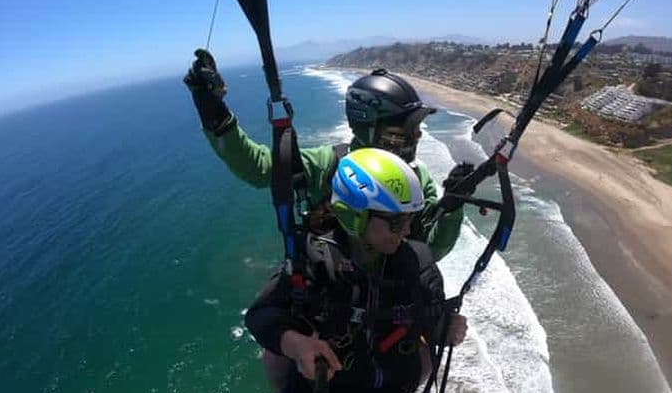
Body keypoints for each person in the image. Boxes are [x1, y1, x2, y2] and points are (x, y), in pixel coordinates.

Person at [245, 147, 469, 393]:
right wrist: (299, 344)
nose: (406, 230)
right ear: (355, 217)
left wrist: (446, 328)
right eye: (395, 222)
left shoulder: (416, 262)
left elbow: (430, 317)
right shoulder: (314, 262)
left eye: (409, 219)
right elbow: (263, 315)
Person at [183, 49, 475, 261]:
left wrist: (451, 208)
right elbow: (259, 168)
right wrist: (213, 113)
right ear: (369, 129)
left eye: (416, 129)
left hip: (390, 307)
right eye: (404, 131)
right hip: (331, 302)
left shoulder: (415, 180)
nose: (417, 137)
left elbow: (432, 250)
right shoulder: (329, 165)